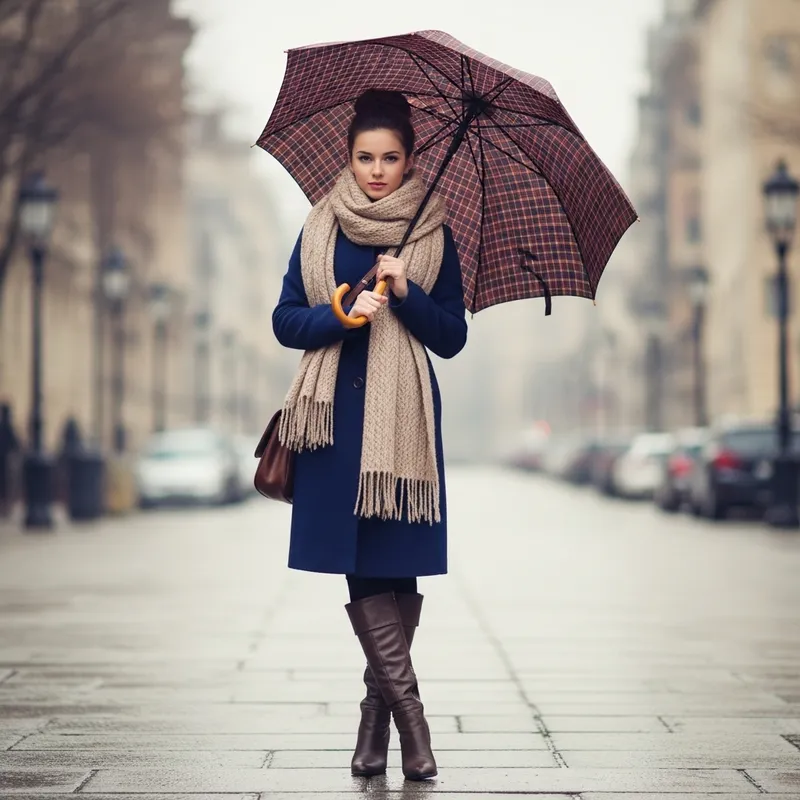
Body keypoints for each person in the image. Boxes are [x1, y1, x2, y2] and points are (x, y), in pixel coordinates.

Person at [272, 88, 468, 781]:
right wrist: (343, 312)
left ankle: (377, 722)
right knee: (363, 574)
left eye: (389, 158)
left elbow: (453, 339)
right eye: (365, 157)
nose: (377, 170)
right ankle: (414, 731)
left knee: (397, 571)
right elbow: (286, 320)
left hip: (403, 433)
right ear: (348, 159)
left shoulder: (432, 234)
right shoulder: (320, 227)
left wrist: (407, 292)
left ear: (410, 158)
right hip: (337, 431)